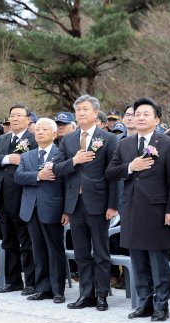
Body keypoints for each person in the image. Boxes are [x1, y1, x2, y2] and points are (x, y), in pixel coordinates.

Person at [106, 97, 170, 322]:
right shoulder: (125, 143)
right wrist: (131, 167)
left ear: (157, 119)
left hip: (158, 211)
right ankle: (144, 302)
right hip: (131, 209)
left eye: (146, 114)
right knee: (138, 260)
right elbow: (111, 172)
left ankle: (161, 305)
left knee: (158, 261)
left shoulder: (166, 143)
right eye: (137, 113)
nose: (140, 117)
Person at [53, 94, 119, 311]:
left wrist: (112, 205)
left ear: (95, 113)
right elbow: (57, 169)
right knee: (81, 252)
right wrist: (75, 160)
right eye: (78, 110)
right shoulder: (68, 140)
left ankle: (102, 295)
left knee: (100, 251)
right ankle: (86, 294)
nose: (81, 113)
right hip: (75, 203)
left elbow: (113, 174)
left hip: (99, 202)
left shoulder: (108, 139)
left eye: (85, 109)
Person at [0, 104, 38, 295]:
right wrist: (7, 158)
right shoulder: (2, 139)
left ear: (28, 119)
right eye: (12, 115)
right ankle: (13, 281)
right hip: (3, 198)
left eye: (19, 115)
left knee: (27, 241)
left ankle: (31, 282)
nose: (14, 119)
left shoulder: (34, 138)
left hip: (24, 197)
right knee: (9, 241)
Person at [14, 117, 68, 303]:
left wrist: (66, 210)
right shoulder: (27, 155)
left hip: (53, 208)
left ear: (54, 134)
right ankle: (42, 287)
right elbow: (18, 177)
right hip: (31, 209)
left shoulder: (61, 155)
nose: (40, 132)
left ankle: (57, 290)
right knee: (38, 249)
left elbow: (66, 184)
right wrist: (38, 175)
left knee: (55, 250)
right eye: (37, 130)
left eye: (45, 130)